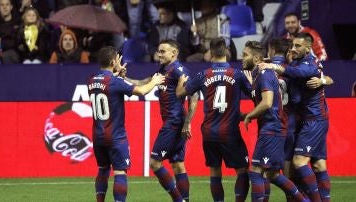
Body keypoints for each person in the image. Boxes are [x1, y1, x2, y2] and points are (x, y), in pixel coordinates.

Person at [176, 37, 251, 202]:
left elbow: (181, 93)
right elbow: (255, 95)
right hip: (230, 132)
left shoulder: (203, 75)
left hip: (209, 132)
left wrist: (181, 82)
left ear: (210, 54)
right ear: (227, 52)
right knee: (242, 170)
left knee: (215, 171)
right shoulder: (237, 75)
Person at [259, 32, 331, 201]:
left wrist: (274, 67)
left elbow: (299, 78)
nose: (293, 49)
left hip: (312, 119)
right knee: (318, 165)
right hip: (309, 119)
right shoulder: (299, 63)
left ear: (308, 47)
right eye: (292, 46)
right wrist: (324, 81)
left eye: (297, 46)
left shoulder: (310, 63)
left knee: (297, 163)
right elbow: (327, 78)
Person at [87, 46, 165, 202]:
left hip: (97, 136)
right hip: (115, 136)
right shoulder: (115, 82)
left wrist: (117, 74)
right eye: (117, 59)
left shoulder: (91, 80)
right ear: (112, 61)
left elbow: (107, 83)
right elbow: (142, 91)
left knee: (103, 170)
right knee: (119, 172)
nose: (119, 61)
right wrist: (155, 81)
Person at [125, 39, 198, 202]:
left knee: (155, 163)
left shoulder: (179, 70)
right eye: (159, 51)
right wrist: (125, 78)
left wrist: (187, 123)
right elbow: (144, 83)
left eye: (163, 51)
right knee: (178, 164)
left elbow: (194, 95)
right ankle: (184, 200)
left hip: (174, 123)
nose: (159, 54)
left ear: (174, 53)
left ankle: (179, 200)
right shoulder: (163, 70)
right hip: (173, 122)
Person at [242, 40, 308, 202]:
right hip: (274, 128)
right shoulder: (261, 74)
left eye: (245, 55)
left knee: (256, 171)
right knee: (271, 174)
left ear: (257, 58)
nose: (242, 58)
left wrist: (250, 115)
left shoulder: (264, 73)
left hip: (272, 128)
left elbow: (267, 102)